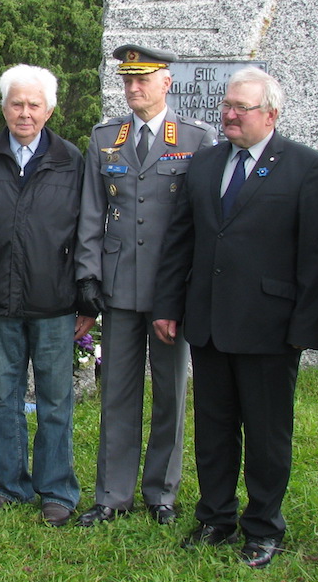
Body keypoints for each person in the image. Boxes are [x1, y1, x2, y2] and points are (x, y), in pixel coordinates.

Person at [152, 66, 318, 568]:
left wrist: (304, 329)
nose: (230, 115)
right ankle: (215, 517)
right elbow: (181, 240)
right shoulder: (206, 163)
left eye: (242, 108)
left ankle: (263, 527)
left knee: (265, 434)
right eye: (227, 106)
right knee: (213, 429)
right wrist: (169, 305)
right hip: (209, 322)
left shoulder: (306, 167)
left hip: (269, 329)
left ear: (271, 114)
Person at [74, 45, 216, 527]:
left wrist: (190, 288)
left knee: (170, 394)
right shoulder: (105, 138)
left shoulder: (197, 139)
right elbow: (92, 213)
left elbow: (202, 223)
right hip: (117, 288)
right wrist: (87, 276)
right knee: (116, 391)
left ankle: (162, 494)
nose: (133, 88)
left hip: (169, 292)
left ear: (166, 83)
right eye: (128, 80)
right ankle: (112, 494)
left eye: (144, 79)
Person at [0, 64, 93, 527]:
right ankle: (12, 485)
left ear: (49, 109)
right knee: (3, 398)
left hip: (54, 305)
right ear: (4, 107)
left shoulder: (73, 160)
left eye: (34, 104)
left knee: (55, 401)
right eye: (17, 103)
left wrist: (88, 301)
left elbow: (88, 234)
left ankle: (57, 490)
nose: (25, 113)